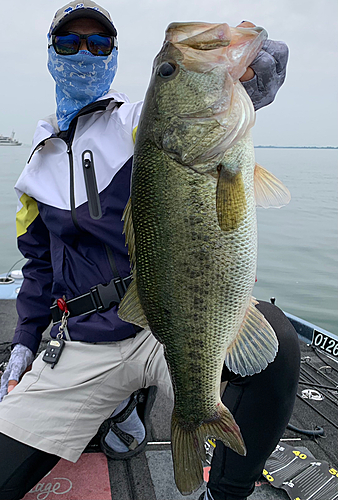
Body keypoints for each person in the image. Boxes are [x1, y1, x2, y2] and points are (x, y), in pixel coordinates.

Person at [0, 2, 300, 500]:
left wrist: (246, 78)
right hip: (79, 342)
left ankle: (222, 494)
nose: (83, 54)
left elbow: (198, 116)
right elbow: (36, 267)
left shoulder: (142, 122)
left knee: (276, 352)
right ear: (51, 54)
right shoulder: (35, 167)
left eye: (98, 44)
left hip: (164, 328)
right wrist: (26, 343)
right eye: (68, 43)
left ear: (113, 55)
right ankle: (119, 407)